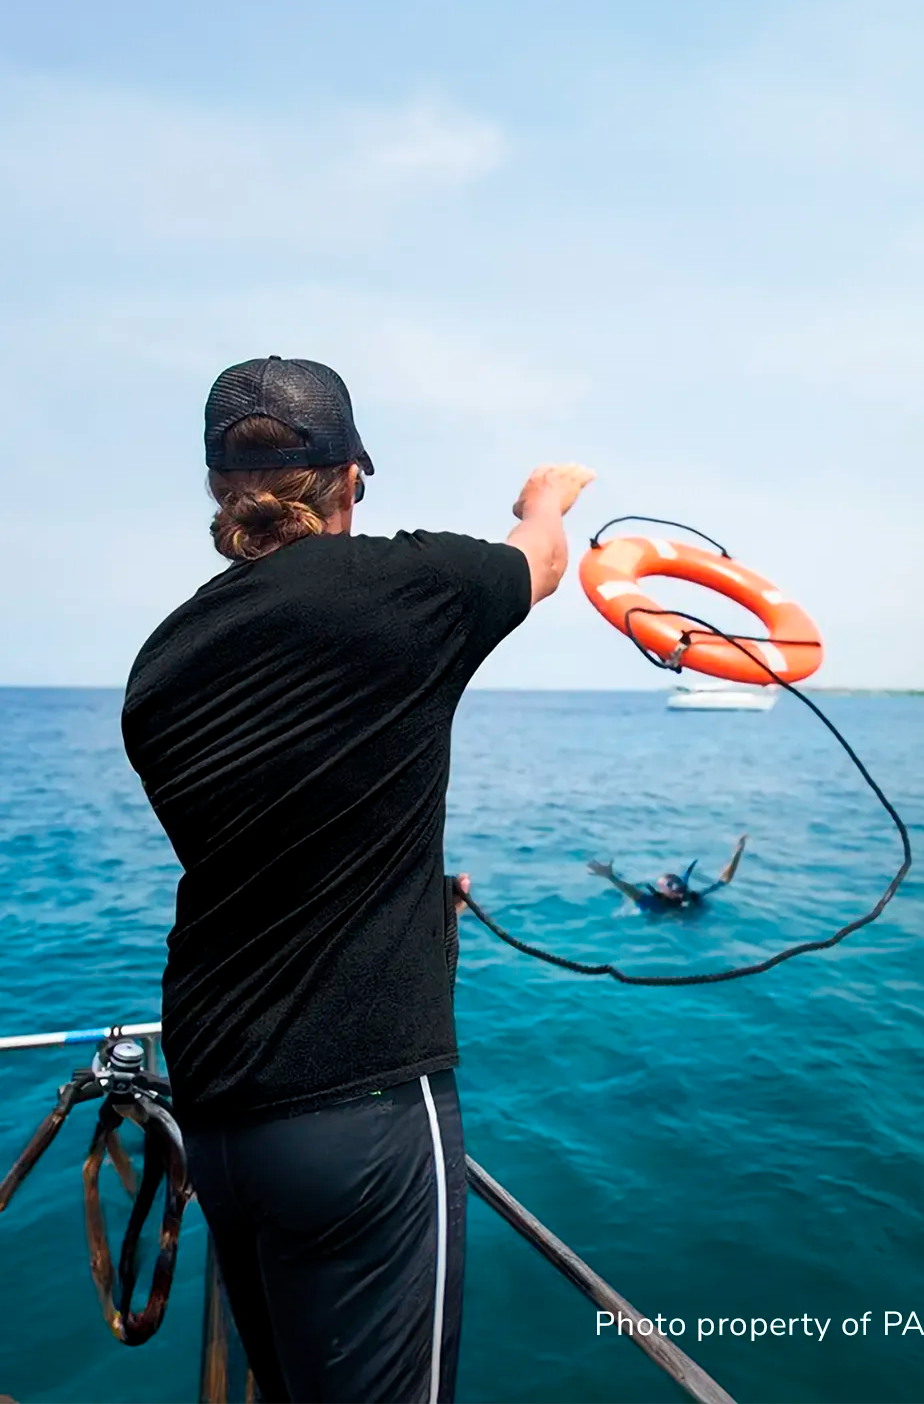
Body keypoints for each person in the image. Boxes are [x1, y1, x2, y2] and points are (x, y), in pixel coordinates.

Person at [120, 355, 594, 1404]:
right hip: (360, 1106)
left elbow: (276, 838)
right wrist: (544, 498)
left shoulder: (158, 667)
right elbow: (543, 561)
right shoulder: (410, 587)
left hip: (222, 1116)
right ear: (347, 482)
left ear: (218, 489)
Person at [586, 835, 748, 911]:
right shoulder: (657, 904)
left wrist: (737, 853)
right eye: (669, 884)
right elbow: (633, 893)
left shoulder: (695, 897)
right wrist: (611, 876)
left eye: (677, 880)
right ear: (662, 891)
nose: (676, 884)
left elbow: (724, 880)